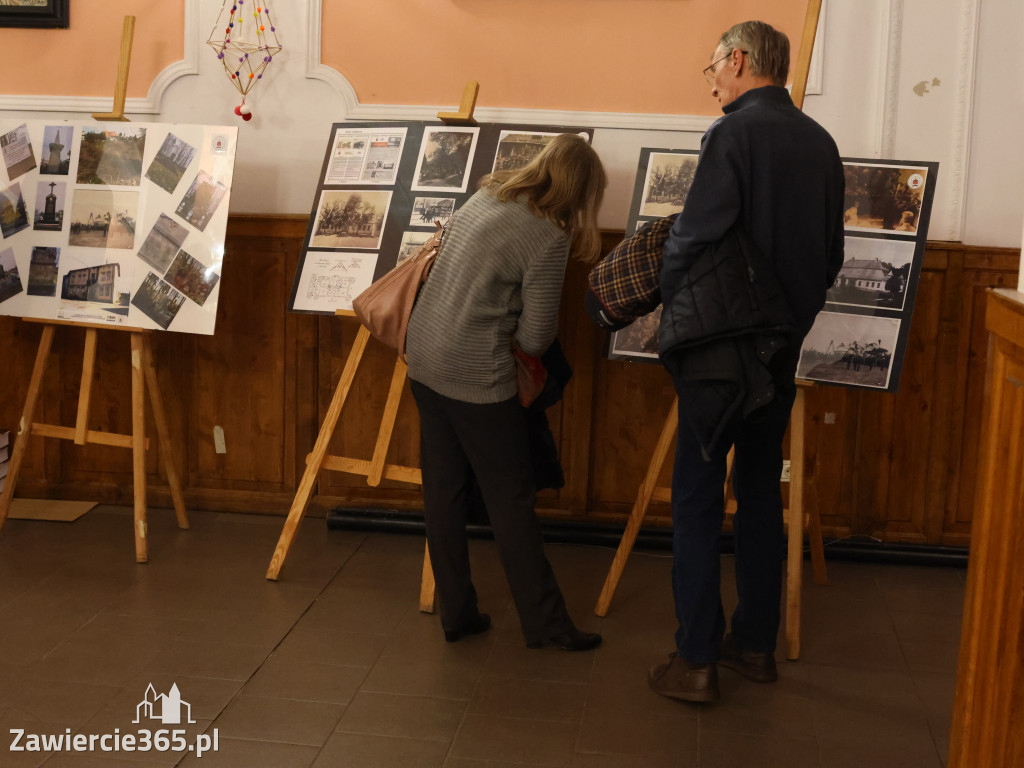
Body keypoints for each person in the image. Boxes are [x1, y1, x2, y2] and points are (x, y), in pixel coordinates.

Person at [649, 20, 845, 702]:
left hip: (718, 352)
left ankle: (696, 660)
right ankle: (754, 648)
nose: (711, 84)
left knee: (699, 499)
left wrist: (672, 301)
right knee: (760, 494)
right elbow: (830, 259)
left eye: (713, 68)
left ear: (739, 59)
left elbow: (693, 238)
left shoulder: (731, 134)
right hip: (780, 348)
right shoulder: (820, 142)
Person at [405, 133, 607, 651]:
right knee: (511, 502)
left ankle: (458, 613)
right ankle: (547, 624)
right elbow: (536, 337)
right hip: (477, 378)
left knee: (443, 494)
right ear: (581, 193)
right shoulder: (548, 236)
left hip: (424, 360)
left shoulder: (486, 193)